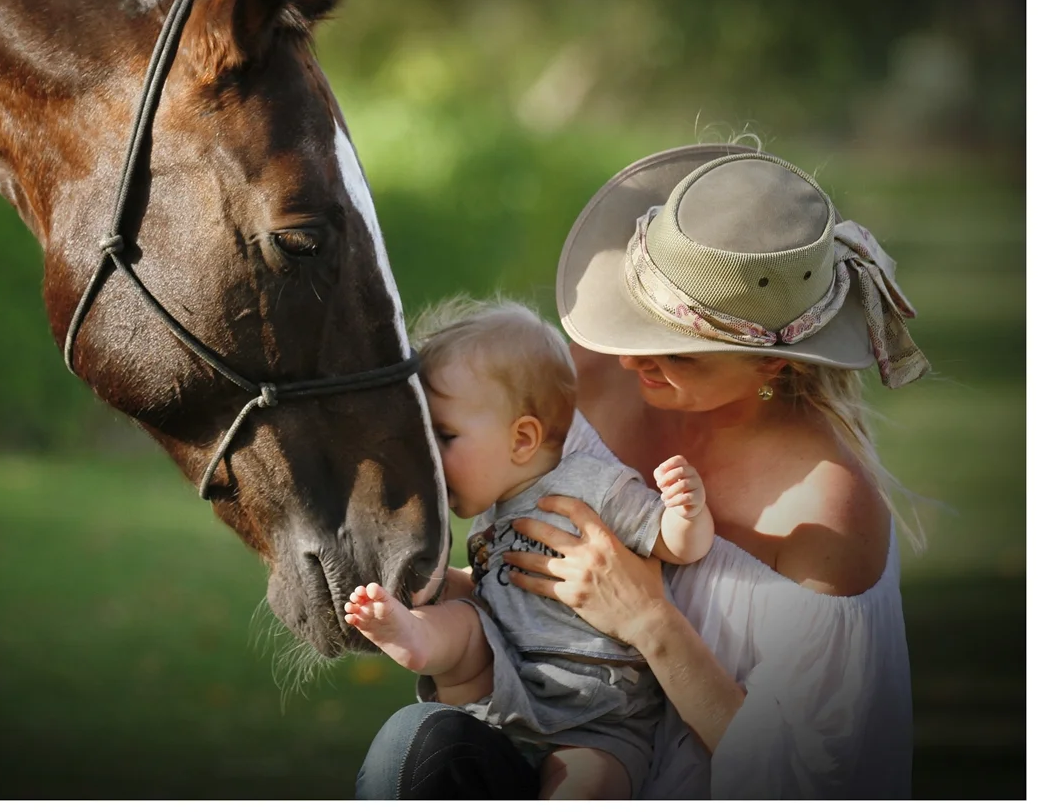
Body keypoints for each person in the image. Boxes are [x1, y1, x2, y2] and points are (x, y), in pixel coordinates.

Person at [356, 143, 930, 800]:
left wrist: (649, 620)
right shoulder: (591, 376)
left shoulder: (828, 508)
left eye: (677, 353)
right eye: (636, 322)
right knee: (414, 750)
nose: (634, 360)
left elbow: (806, 785)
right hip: (533, 720)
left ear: (774, 364)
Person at [344, 298, 715, 799]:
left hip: (593, 720)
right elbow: (493, 590)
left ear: (522, 439)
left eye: (445, 435)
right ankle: (415, 635)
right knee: (466, 619)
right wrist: (431, 585)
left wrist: (684, 514)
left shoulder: (590, 487)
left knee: (587, 788)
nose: (429, 454)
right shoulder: (489, 515)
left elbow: (674, 546)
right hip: (504, 689)